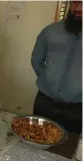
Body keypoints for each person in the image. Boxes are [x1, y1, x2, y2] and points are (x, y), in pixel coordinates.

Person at [31, 1, 82, 133]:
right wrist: (46, 81)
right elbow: (37, 60)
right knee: (35, 140)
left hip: (78, 109)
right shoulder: (50, 31)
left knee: (68, 150)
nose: (79, 8)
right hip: (45, 104)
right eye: (75, 2)